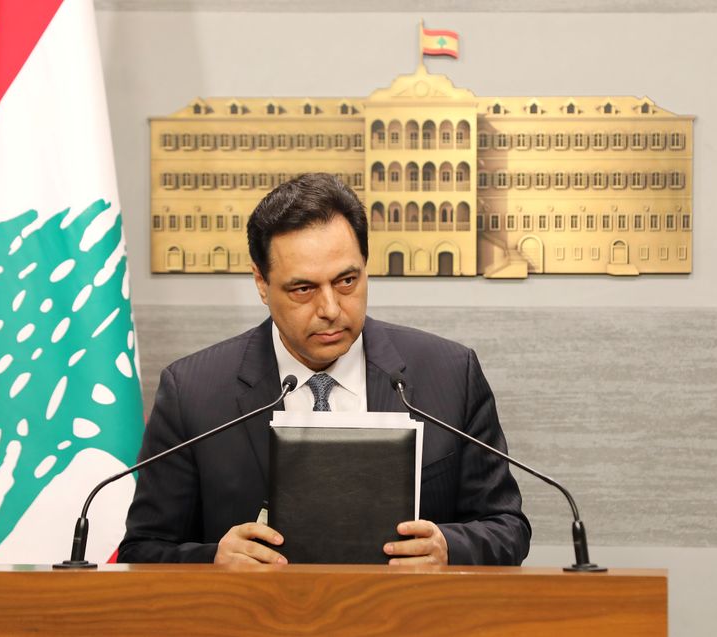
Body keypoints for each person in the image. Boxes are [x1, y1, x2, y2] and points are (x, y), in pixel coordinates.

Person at [119, 173, 530, 566]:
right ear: (261, 283)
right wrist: (213, 559)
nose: (331, 309)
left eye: (347, 281)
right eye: (303, 289)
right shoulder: (192, 392)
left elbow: (507, 527)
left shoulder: (450, 374)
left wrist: (448, 547)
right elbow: (143, 548)